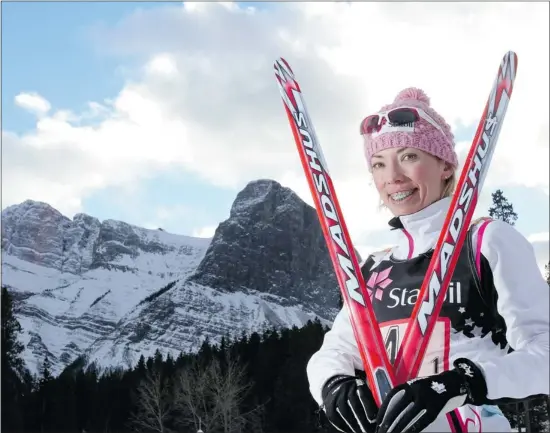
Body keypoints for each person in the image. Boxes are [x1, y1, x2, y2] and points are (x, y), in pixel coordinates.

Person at [306, 87, 549, 433]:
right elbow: (335, 352)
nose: (392, 176)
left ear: (446, 166)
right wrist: (333, 385)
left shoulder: (485, 243)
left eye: (408, 156)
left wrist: (464, 382)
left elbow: (545, 352)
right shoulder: (376, 270)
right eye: (379, 163)